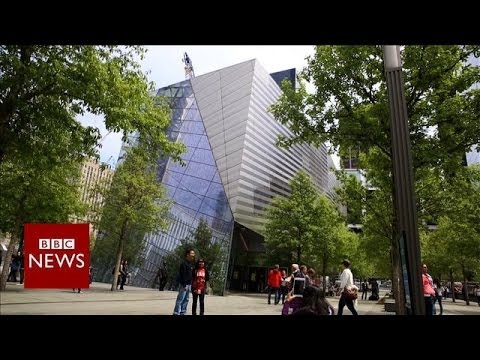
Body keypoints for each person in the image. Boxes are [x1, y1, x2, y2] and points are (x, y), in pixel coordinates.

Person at [173, 248, 195, 315]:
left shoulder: (191, 264)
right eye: (192, 253)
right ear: (187, 254)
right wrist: (184, 284)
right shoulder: (183, 264)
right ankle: (176, 312)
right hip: (184, 284)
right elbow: (182, 275)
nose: (193, 255)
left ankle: (183, 312)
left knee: (186, 299)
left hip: (189, 285)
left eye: (194, 254)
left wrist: (191, 284)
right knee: (181, 299)